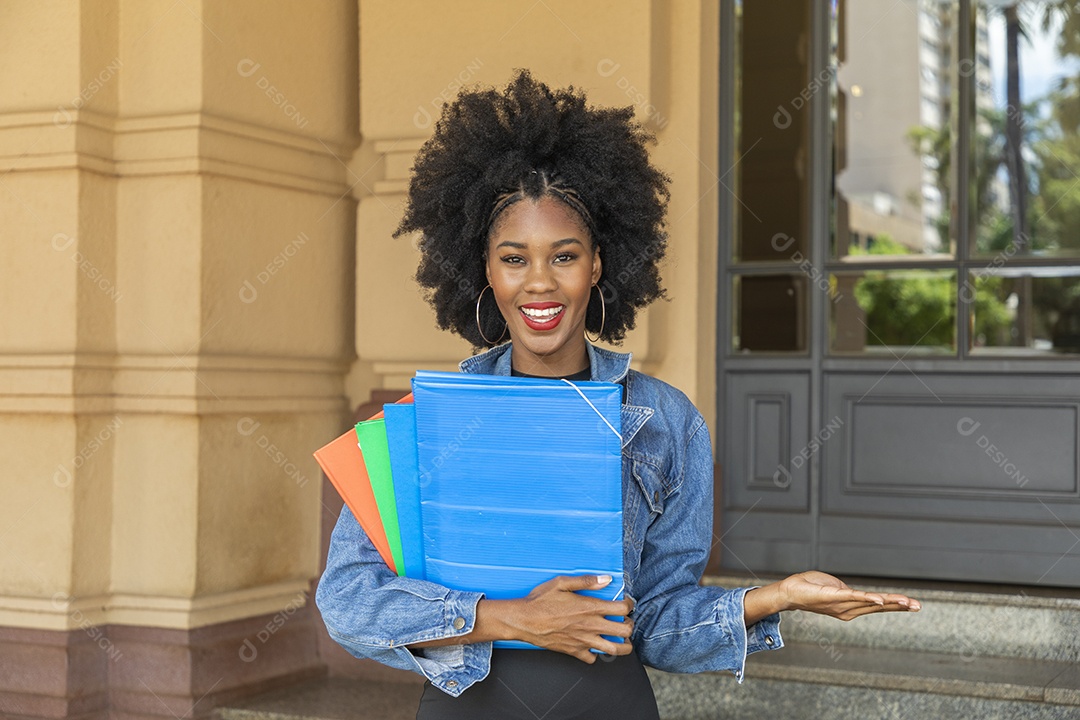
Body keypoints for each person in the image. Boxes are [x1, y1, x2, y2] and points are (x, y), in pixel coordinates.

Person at [316, 70, 920, 720]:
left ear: (598, 264)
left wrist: (771, 599)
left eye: (565, 256)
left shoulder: (665, 421)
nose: (539, 283)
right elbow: (347, 601)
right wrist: (508, 618)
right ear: (485, 271)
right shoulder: (427, 421)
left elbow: (659, 623)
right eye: (515, 259)